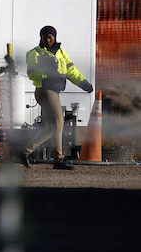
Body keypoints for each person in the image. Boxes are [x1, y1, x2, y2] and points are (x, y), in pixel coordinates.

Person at [20, 26, 93, 170]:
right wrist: (47, 70)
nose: (47, 40)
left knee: (52, 128)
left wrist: (83, 83)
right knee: (59, 124)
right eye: (44, 37)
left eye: (50, 37)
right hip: (45, 90)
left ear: (54, 37)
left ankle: (24, 152)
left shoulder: (61, 53)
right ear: (40, 37)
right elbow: (31, 74)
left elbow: (71, 71)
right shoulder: (34, 53)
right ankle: (58, 159)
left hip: (53, 91)